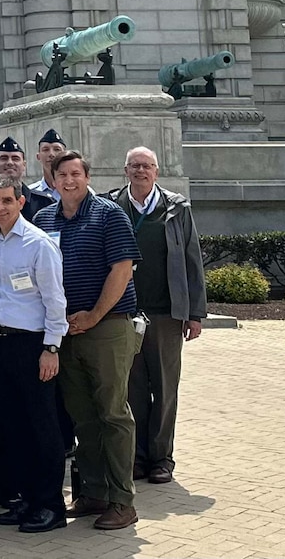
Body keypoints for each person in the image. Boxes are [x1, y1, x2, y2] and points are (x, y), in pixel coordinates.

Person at [35, 152, 142, 531]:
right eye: (61, 174)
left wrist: (94, 315)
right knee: (83, 416)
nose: (68, 181)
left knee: (113, 414)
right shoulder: (43, 219)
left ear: (86, 176)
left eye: (75, 174)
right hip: (64, 332)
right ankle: (94, 491)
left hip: (107, 327)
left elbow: (122, 269)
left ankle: (122, 500)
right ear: (52, 177)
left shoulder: (109, 213)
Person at [109, 146, 206, 485]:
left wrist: (194, 314)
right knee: (131, 387)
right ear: (125, 170)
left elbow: (193, 261)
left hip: (166, 313)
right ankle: (136, 457)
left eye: (147, 166)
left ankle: (162, 458)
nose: (141, 171)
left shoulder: (177, 208)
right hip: (124, 313)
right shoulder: (112, 206)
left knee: (165, 388)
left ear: (156, 172)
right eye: (134, 165)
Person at [0, 173, 68, 533]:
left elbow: (54, 300)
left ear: (20, 202)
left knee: (42, 427)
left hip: (33, 344)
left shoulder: (38, 243)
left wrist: (51, 348)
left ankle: (51, 505)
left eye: (6, 201)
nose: (0, 207)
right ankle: (26, 498)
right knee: (13, 427)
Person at [0, 137, 54, 223]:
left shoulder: (44, 202)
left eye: (15, 158)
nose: (10, 162)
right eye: (4, 158)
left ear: (24, 165)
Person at [32, 130, 66, 203]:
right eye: (46, 150)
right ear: (38, 156)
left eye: (57, 149)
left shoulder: (79, 190)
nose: (51, 154)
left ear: (64, 155)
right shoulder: (31, 193)